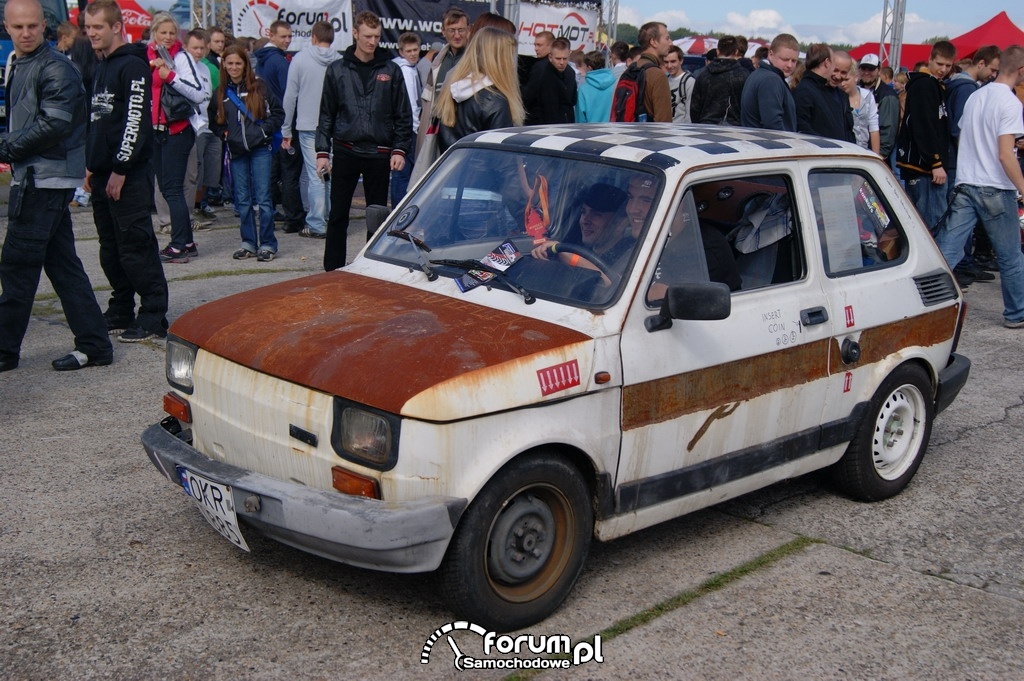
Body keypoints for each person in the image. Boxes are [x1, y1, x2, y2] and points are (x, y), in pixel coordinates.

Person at [0, 0, 113, 372]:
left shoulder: (55, 67)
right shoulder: (21, 63)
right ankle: (95, 345)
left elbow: (55, 123)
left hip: (45, 181)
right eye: (18, 27)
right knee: (63, 266)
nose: (26, 32)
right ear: (7, 26)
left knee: (17, 268)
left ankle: (4, 350)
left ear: (44, 25)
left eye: (32, 25)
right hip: (36, 176)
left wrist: (7, 147)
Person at [83, 0, 169, 344]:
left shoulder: (132, 66)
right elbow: (98, 122)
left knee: (136, 245)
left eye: (98, 27)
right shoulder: (100, 66)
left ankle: (152, 315)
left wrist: (120, 168)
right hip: (103, 173)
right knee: (110, 247)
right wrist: (91, 166)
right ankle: (120, 307)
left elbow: (135, 122)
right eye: (88, 28)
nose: (91, 34)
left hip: (128, 175)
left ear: (117, 26)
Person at [932, 45, 1024, 328]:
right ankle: (1016, 313)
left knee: (947, 251)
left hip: (966, 181)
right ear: (1020, 71)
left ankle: (930, 306)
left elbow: (966, 134)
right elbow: (1005, 154)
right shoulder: (1010, 103)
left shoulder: (975, 96)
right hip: (994, 186)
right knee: (1010, 256)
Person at [316, 11, 413, 271]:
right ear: (355, 34)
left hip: (380, 153)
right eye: (368, 36)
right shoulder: (337, 69)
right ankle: (332, 270)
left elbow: (403, 114)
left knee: (377, 217)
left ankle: (370, 269)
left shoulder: (390, 69)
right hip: (346, 150)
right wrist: (322, 151)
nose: (373, 41)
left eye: (377, 37)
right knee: (337, 215)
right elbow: (326, 113)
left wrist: (400, 149)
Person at [214, 44, 284, 262]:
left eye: (238, 63)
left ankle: (268, 244)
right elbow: (213, 120)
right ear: (224, 65)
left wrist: (264, 131)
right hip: (237, 152)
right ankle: (248, 243)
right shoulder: (221, 93)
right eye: (230, 63)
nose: (234, 67)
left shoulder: (259, 87)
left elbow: (279, 113)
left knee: (263, 199)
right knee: (242, 200)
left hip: (260, 149)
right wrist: (225, 134)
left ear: (245, 65)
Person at [147, 12, 207, 264]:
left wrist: (170, 76)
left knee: (173, 188)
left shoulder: (181, 57)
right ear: (154, 33)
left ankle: (180, 243)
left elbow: (199, 93)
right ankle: (186, 242)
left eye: (172, 33)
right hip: (156, 130)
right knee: (165, 187)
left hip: (177, 129)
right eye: (164, 32)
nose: (168, 37)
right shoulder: (147, 55)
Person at [281, 21, 340, 238]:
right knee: (330, 174)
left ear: (313, 37)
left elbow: (290, 97)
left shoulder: (300, 59)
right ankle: (331, 218)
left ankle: (316, 223)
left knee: (316, 175)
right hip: (334, 126)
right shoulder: (340, 60)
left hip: (308, 125)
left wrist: (286, 129)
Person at [434, 26, 525, 153]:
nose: (513, 62)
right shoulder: (494, 101)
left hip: (455, 170)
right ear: (498, 59)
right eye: (509, 55)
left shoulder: (454, 89)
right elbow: (502, 161)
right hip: (484, 172)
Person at [896, 40, 956, 231]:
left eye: (948, 65)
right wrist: (935, 162)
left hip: (926, 166)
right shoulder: (925, 85)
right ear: (930, 59)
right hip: (924, 167)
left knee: (929, 220)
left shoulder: (935, 85)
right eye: (939, 64)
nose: (943, 69)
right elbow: (924, 126)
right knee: (930, 223)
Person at [255, 19, 304, 233]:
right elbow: (290, 94)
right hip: (284, 122)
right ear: (271, 35)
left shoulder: (261, 60)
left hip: (269, 121)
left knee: (273, 172)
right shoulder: (280, 62)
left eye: (290, 36)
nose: (287, 40)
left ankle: (271, 212)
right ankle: (293, 218)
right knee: (289, 173)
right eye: (283, 36)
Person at [419, 7, 469, 138]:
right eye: (452, 30)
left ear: (468, 30)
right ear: (443, 31)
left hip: (463, 134)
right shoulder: (437, 61)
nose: (457, 35)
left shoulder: (475, 61)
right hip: (437, 132)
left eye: (461, 30)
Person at [793, 43, 853, 141]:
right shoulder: (805, 90)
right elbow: (801, 127)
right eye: (835, 69)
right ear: (827, 63)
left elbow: (848, 131)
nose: (838, 76)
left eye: (843, 72)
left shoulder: (842, 96)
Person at [740, 33, 798, 131]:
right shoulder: (770, 80)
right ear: (771, 55)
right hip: (767, 143)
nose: (790, 65)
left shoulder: (760, 74)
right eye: (785, 59)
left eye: (794, 61)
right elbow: (773, 124)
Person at [390, 31, 422, 206]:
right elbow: (410, 105)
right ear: (401, 52)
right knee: (403, 174)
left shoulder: (408, 68)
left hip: (405, 128)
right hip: (408, 130)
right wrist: (416, 129)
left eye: (415, 50)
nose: (413, 54)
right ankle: (399, 210)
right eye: (409, 51)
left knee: (402, 174)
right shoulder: (405, 71)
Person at [690, 35, 748, 125]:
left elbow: (694, 107)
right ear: (736, 51)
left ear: (717, 51)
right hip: (735, 129)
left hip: (705, 127)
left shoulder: (703, 74)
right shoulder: (744, 75)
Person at [524, 36, 576, 125]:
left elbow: (572, 100)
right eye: (558, 58)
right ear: (550, 57)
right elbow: (529, 97)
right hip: (542, 124)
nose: (562, 62)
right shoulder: (540, 70)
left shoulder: (570, 72)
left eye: (565, 58)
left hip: (563, 124)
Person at [857, 53, 899, 161]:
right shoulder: (855, 89)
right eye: (863, 68)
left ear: (879, 70)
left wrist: (880, 156)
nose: (866, 72)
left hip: (874, 155)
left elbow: (888, 129)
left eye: (871, 69)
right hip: (857, 150)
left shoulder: (887, 95)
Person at [843, 64, 880, 153]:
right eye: (841, 80)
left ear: (856, 77)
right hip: (845, 151)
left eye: (846, 79)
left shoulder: (867, 96)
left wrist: (876, 156)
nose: (842, 84)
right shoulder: (838, 97)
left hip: (864, 150)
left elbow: (874, 128)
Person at [575, 50, 616, 123]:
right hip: (612, 129)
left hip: (591, 131)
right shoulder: (615, 84)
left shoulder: (583, 89)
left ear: (589, 67)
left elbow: (580, 117)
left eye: (585, 66)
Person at [664, 45, 693, 124]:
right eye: (666, 62)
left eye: (673, 61)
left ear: (681, 61)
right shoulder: (664, 80)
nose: (669, 66)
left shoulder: (689, 82)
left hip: (681, 130)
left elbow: (690, 114)